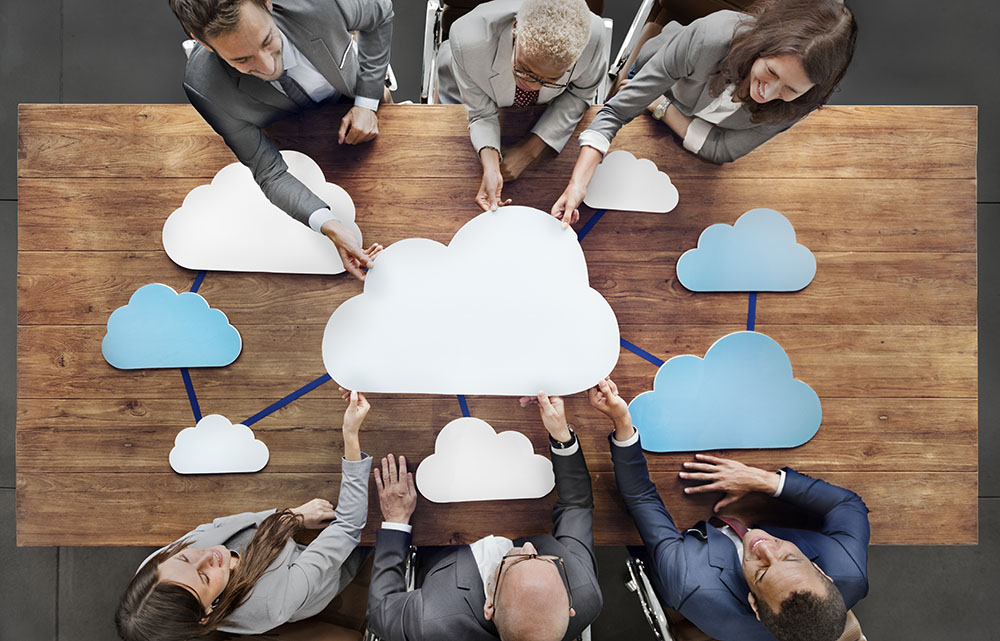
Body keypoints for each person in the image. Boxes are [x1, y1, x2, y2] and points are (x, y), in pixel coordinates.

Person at [589, 377, 870, 641]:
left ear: (754, 606)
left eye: (761, 572)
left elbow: (640, 497)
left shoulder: (691, 581)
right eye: (790, 558)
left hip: (684, 555)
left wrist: (622, 421)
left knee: (627, 526)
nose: (765, 548)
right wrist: (762, 480)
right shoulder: (850, 572)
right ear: (823, 573)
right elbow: (848, 505)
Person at [552, 0, 857, 225]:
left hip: (664, 104)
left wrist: (661, 107)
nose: (770, 94)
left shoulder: (799, 102)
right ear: (761, 45)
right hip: (656, 70)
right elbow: (616, 112)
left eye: (790, 89)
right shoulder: (711, 37)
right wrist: (577, 185)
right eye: (771, 72)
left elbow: (722, 150)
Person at [115, 390, 375, 641]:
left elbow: (216, 526)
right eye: (204, 577)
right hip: (329, 567)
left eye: (184, 557)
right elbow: (348, 526)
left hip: (289, 528)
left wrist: (292, 517)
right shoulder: (272, 603)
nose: (207, 555)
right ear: (206, 615)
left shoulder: (155, 571)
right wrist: (350, 433)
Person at [167, 0, 393, 279]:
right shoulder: (203, 87)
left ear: (267, 3)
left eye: (267, 40)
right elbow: (269, 172)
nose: (267, 64)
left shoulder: (322, 4)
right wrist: (329, 225)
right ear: (204, 45)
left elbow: (381, 14)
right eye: (241, 59)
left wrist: (367, 102)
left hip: (361, 101)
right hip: (298, 144)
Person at [366, 392, 603, 641]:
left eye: (517, 561)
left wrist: (396, 520)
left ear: (489, 603)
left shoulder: (433, 619)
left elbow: (380, 611)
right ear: (569, 607)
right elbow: (576, 505)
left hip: (441, 544)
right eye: (546, 559)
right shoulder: (584, 591)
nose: (530, 546)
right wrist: (561, 435)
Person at [436, 0, 610, 212]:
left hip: (546, 116)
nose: (531, 85)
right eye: (525, 69)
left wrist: (528, 152)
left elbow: (579, 94)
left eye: (550, 79)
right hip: (467, 86)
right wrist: (490, 164)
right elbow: (481, 111)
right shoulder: (468, 40)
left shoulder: (594, 37)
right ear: (516, 27)